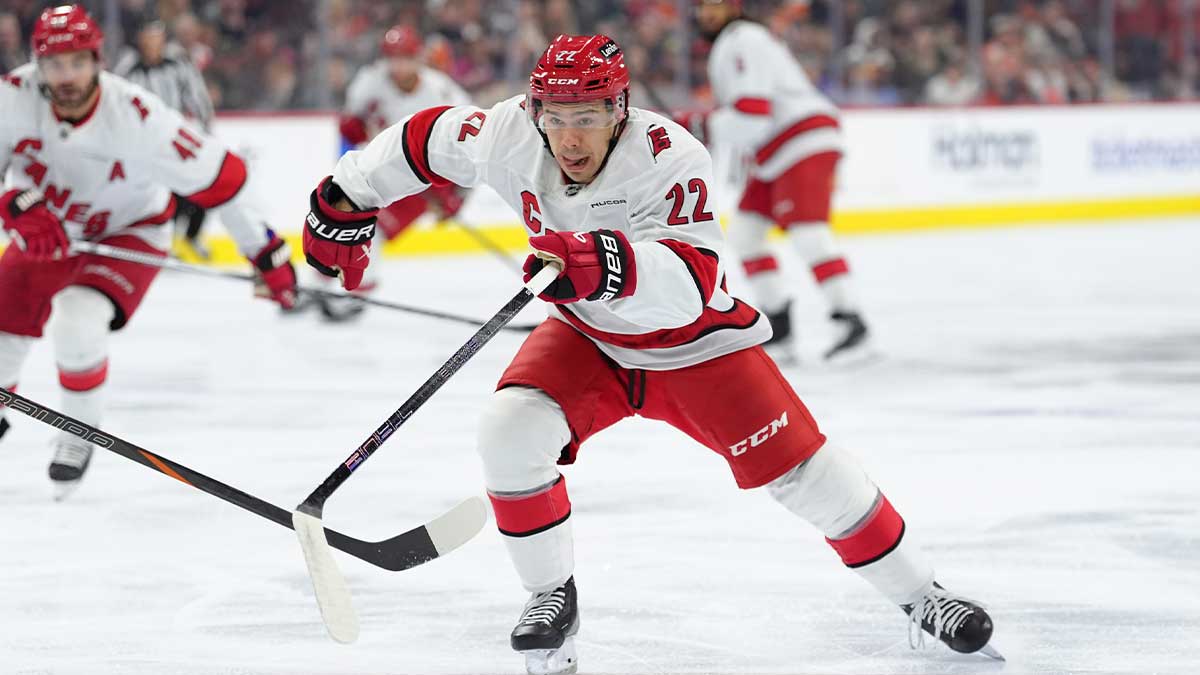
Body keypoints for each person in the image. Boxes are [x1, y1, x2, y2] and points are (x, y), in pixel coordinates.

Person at [301, 33, 995, 675]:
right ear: (535, 107)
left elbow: (692, 285)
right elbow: (425, 139)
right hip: (589, 337)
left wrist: (608, 263)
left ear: (621, 109)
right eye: (556, 116)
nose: (569, 136)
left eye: (589, 116)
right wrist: (347, 194)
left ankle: (921, 594)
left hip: (693, 346)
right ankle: (550, 596)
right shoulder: (510, 131)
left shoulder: (671, 156)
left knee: (807, 476)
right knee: (508, 430)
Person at [0, 5, 297, 499]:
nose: (66, 76)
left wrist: (266, 254)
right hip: (46, 228)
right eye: (54, 64)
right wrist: (14, 202)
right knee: (4, 326)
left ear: (97, 60)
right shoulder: (11, 97)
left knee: (78, 320)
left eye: (77, 62)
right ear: (38, 65)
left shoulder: (139, 117)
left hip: (126, 233)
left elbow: (224, 180)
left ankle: (77, 432)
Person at [684, 0, 872, 362]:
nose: (706, 13)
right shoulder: (734, 42)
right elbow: (748, 120)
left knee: (807, 232)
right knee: (745, 234)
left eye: (715, 5)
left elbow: (752, 112)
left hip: (800, 140)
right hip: (774, 151)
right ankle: (780, 326)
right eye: (702, 6)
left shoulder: (742, 39)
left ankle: (851, 321)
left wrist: (701, 125)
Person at [311, 24, 473, 321]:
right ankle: (321, 283)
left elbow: (472, 141)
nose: (397, 65)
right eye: (391, 58)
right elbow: (350, 125)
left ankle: (354, 292)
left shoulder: (440, 90)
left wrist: (456, 192)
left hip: (422, 179)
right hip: (378, 170)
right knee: (340, 218)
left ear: (418, 58)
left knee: (373, 229)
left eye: (404, 57)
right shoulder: (370, 83)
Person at [113, 17, 217, 260]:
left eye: (157, 35)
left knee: (201, 181)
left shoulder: (177, 63)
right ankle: (161, 241)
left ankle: (191, 235)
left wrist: (206, 131)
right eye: (148, 36)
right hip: (142, 146)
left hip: (174, 139)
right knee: (155, 196)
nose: (153, 42)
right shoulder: (129, 68)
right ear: (140, 39)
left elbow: (197, 97)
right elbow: (115, 103)